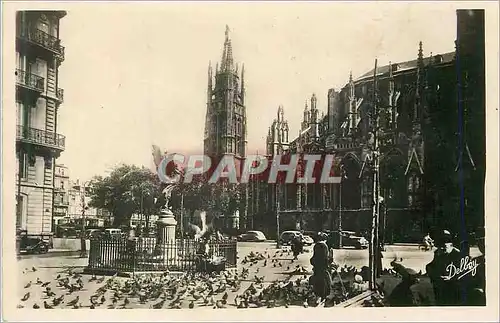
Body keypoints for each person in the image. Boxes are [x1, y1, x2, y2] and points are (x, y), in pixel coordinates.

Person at [426, 229, 462, 306]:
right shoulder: (438, 253)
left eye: (447, 240)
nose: (444, 244)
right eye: (441, 241)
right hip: (439, 286)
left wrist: (452, 278)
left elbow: (464, 273)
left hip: (453, 288)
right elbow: (431, 266)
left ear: (451, 243)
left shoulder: (458, 254)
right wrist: (435, 276)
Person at [309, 235, 332, 301]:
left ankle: (317, 295)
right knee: (324, 281)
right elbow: (326, 258)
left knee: (317, 280)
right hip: (323, 267)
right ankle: (323, 295)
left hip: (316, 267)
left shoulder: (316, 246)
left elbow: (313, 258)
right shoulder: (324, 246)